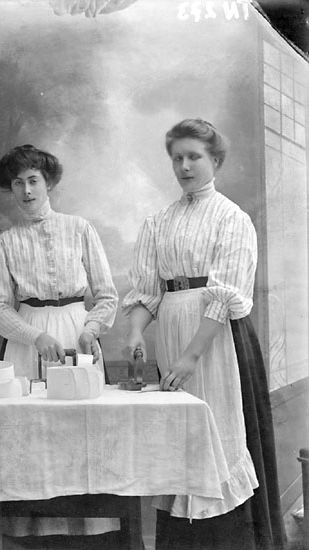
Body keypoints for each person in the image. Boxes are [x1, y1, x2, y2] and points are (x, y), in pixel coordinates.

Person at [122, 119, 285, 550]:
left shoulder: (232, 218)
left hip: (215, 339)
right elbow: (147, 292)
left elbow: (225, 296)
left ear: (215, 160)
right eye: (177, 158)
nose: (184, 166)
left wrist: (192, 356)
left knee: (219, 435)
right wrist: (136, 332)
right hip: (171, 334)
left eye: (194, 156)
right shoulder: (158, 223)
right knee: (180, 438)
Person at [0, 144, 118, 380]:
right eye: (18, 183)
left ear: (48, 183)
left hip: (77, 332)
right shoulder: (4, 242)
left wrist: (91, 331)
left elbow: (107, 296)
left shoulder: (79, 229)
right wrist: (35, 336)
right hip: (28, 338)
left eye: (33, 181)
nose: (26, 190)